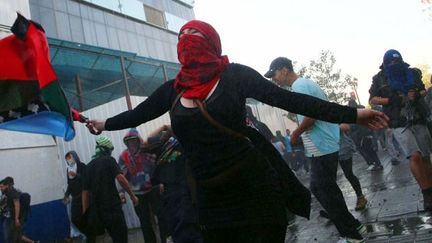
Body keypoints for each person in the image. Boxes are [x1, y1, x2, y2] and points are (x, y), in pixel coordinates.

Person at [86, 20, 387, 242]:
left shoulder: (234, 76)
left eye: (194, 36)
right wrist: (103, 124)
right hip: (209, 201)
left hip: (255, 191)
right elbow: (138, 114)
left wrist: (353, 114)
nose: (187, 41)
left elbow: (291, 99)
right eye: (183, 37)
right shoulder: (173, 91)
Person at [265, 56, 367, 242]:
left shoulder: (300, 87)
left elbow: (311, 115)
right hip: (321, 145)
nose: (274, 79)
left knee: (323, 190)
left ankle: (351, 235)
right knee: (324, 189)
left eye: (275, 74)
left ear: (284, 70)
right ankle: (351, 224)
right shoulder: (302, 85)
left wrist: (296, 133)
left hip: (322, 145)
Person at [369, 49, 432, 211]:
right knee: (415, 156)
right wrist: (392, 100)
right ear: (385, 63)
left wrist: (417, 94)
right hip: (398, 123)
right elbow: (373, 99)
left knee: (425, 157)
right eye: (390, 62)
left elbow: (424, 90)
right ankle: (426, 194)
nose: (394, 64)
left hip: (418, 118)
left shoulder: (412, 73)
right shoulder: (379, 78)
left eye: (397, 61)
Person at [150, 125, 203, 243]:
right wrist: (163, 127)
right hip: (170, 196)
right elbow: (147, 140)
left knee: (190, 231)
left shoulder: (187, 143)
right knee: (178, 231)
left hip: (186, 194)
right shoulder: (166, 146)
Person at [81, 136, 139, 243]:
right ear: (106, 149)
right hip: (112, 208)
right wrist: (132, 195)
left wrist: (86, 212)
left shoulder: (88, 167)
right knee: (120, 237)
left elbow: (85, 192)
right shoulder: (109, 160)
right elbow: (121, 178)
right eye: (110, 150)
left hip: (97, 211)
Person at [118, 128, 166, 243]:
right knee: (144, 222)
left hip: (153, 189)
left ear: (138, 140)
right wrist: (121, 193)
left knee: (162, 216)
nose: (132, 143)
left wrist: (162, 182)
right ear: (126, 142)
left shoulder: (147, 150)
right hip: (137, 194)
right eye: (129, 141)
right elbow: (122, 176)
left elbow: (158, 165)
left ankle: (166, 239)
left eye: (134, 140)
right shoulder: (123, 156)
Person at [339, 124, 368, 210]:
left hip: (342, 148)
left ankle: (360, 197)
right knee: (330, 179)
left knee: (348, 174)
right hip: (326, 150)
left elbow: (347, 126)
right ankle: (335, 206)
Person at [0, 177, 34, 243]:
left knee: (15, 237)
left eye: (1, 187)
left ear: (7, 185)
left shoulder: (13, 193)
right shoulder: (6, 193)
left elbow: (17, 205)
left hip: (15, 218)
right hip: (10, 218)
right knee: (14, 237)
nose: (0, 188)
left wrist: (16, 218)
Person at [63, 151, 87, 240]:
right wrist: (66, 195)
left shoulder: (82, 166)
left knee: (85, 216)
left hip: (84, 196)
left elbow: (86, 180)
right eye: (67, 158)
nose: (69, 160)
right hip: (75, 197)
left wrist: (76, 175)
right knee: (74, 219)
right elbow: (70, 184)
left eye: (70, 157)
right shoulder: (68, 169)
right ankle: (85, 233)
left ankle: (89, 236)